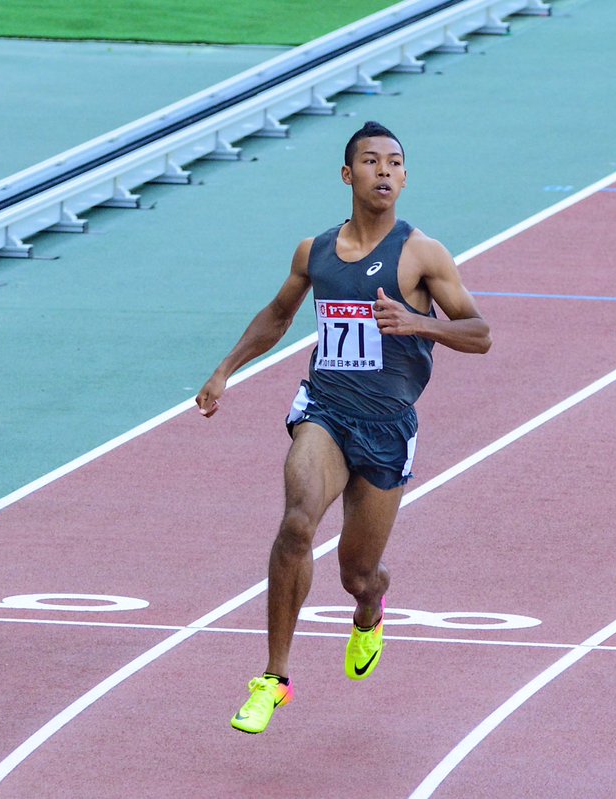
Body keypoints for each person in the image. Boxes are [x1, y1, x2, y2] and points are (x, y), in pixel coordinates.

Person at [196, 120, 491, 734]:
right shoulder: (316, 252)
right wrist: (225, 370)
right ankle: (273, 679)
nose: (384, 170)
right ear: (347, 174)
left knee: (356, 572)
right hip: (325, 410)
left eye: (394, 162)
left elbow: (480, 333)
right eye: (371, 161)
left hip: (387, 428)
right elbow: (279, 314)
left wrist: (418, 324)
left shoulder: (422, 254)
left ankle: (371, 607)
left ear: (405, 179)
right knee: (296, 523)